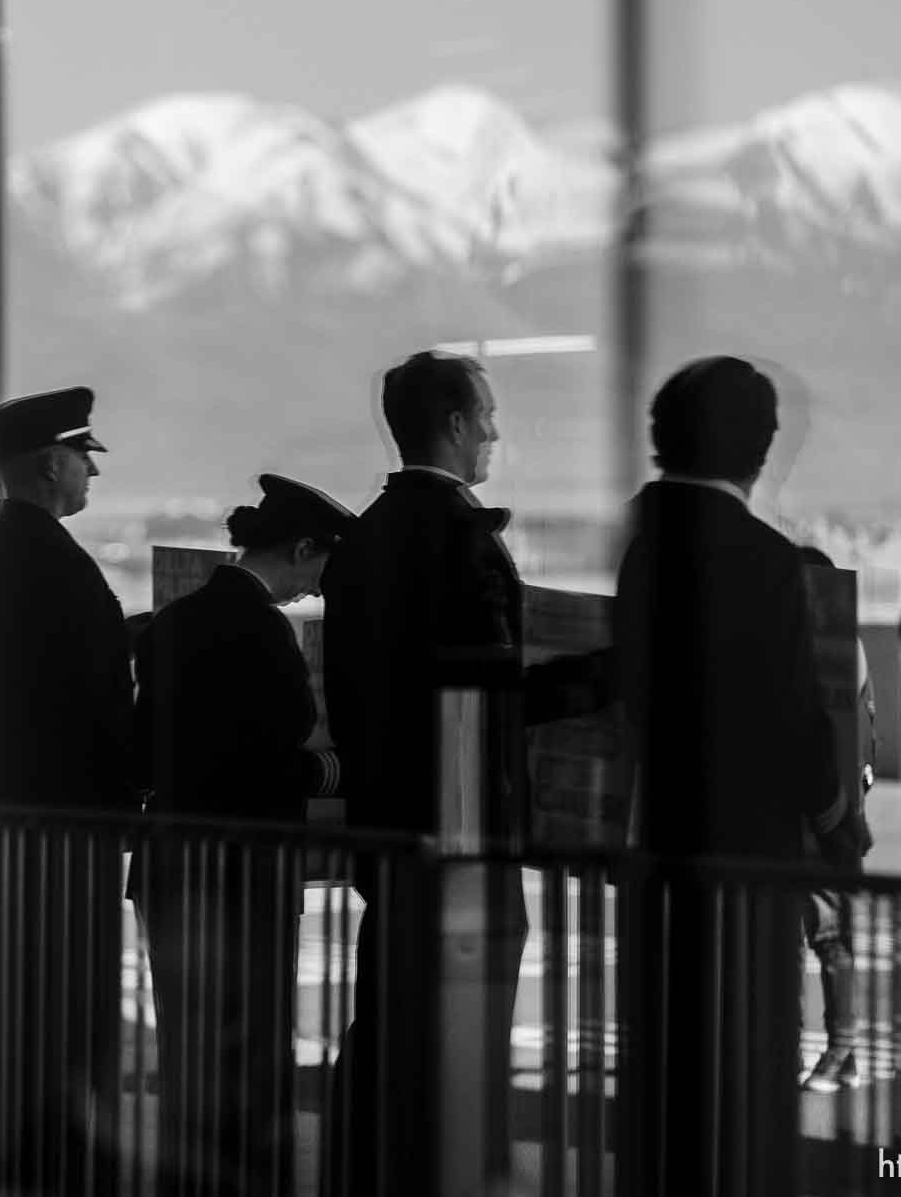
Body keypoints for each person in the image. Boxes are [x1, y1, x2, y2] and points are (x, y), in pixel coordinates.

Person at [319, 351, 609, 1197]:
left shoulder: (362, 540)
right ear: (451, 426)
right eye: (485, 417)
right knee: (464, 1048)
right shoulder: (463, 542)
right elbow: (486, 704)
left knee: (386, 1033)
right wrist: (614, 673)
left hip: (386, 835)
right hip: (461, 839)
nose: (494, 432)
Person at [613, 357, 863, 1196]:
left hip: (662, 856)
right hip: (750, 862)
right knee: (749, 1072)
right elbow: (796, 722)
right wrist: (838, 829)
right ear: (759, 449)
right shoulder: (760, 559)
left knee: (672, 1073)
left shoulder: (644, 552)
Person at [131, 474, 351, 1197]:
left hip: (169, 862)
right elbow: (268, 760)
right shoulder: (265, 631)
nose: (317, 586)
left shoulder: (171, 619)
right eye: (321, 565)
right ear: (301, 548)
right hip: (244, 871)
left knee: (187, 1045)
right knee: (250, 1048)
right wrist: (335, 772)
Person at [0, 385, 135, 1194]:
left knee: (16, 998)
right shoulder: (56, 567)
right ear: (50, 464)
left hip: (1, 811)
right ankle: (58, 1157)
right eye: (82, 460)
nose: (89, 476)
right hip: (65, 819)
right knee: (67, 1002)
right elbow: (94, 699)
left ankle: (24, 1149)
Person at [795, 544, 877, 1094]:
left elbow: (849, 736)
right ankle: (832, 1048)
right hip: (826, 811)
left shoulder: (836, 651)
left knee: (827, 936)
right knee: (820, 936)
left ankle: (842, 1048)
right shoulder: (847, 647)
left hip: (826, 815)